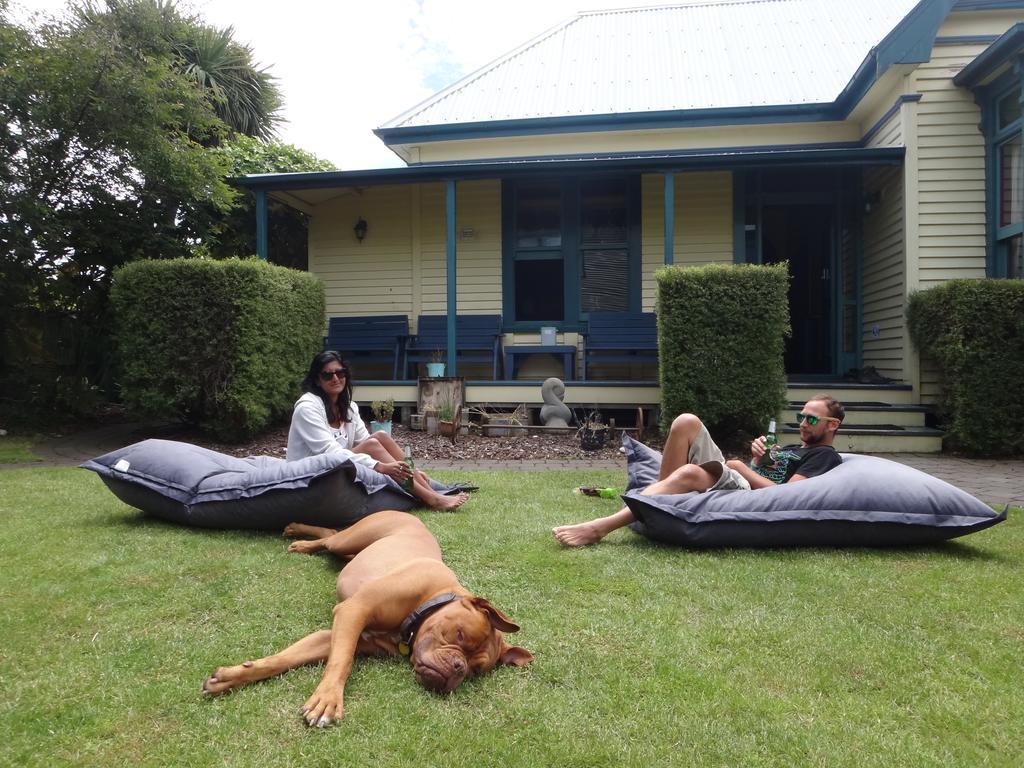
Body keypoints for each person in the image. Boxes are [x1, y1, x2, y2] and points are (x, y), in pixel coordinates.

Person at [552, 394, 845, 547]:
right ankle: (654, 498)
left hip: (744, 487)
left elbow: (790, 495)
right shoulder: (796, 447)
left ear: (832, 425)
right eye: (801, 416)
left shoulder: (823, 455)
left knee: (690, 474)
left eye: (812, 419)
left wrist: (742, 467)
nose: (803, 423)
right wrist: (758, 459)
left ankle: (600, 527)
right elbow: (766, 473)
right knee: (685, 421)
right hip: (738, 477)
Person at [287, 351, 467, 511]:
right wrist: (380, 466)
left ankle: (425, 486)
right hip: (310, 474)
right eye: (327, 375)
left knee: (380, 436)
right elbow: (331, 453)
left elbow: (365, 442)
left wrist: (414, 472)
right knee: (374, 444)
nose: (335, 378)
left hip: (335, 467)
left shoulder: (348, 407)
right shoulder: (307, 408)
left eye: (340, 373)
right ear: (317, 380)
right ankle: (431, 498)